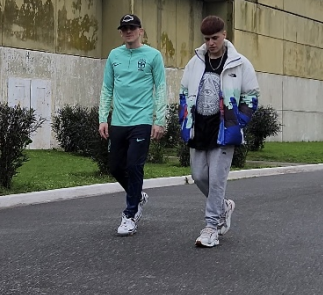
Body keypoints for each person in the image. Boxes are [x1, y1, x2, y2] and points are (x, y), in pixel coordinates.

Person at [179, 15, 259, 248]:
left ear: (224, 35)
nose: (211, 43)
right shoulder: (195, 62)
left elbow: (252, 96)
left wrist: (238, 121)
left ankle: (211, 227)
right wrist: (185, 119)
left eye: (215, 37)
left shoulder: (240, 63)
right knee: (199, 176)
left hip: (224, 131)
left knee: (216, 180)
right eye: (207, 38)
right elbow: (184, 92)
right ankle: (224, 207)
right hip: (199, 128)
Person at [99, 13, 167, 236]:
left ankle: (129, 215)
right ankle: (137, 195)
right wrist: (103, 118)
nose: (128, 31)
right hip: (118, 121)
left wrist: (159, 120)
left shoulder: (153, 56)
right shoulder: (114, 56)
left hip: (142, 120)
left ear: (141, 31)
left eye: (133, 28)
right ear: (121, 32)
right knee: (116, 167)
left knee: (134, 166)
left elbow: (161, 89)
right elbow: (107, 88)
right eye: (124, 28)